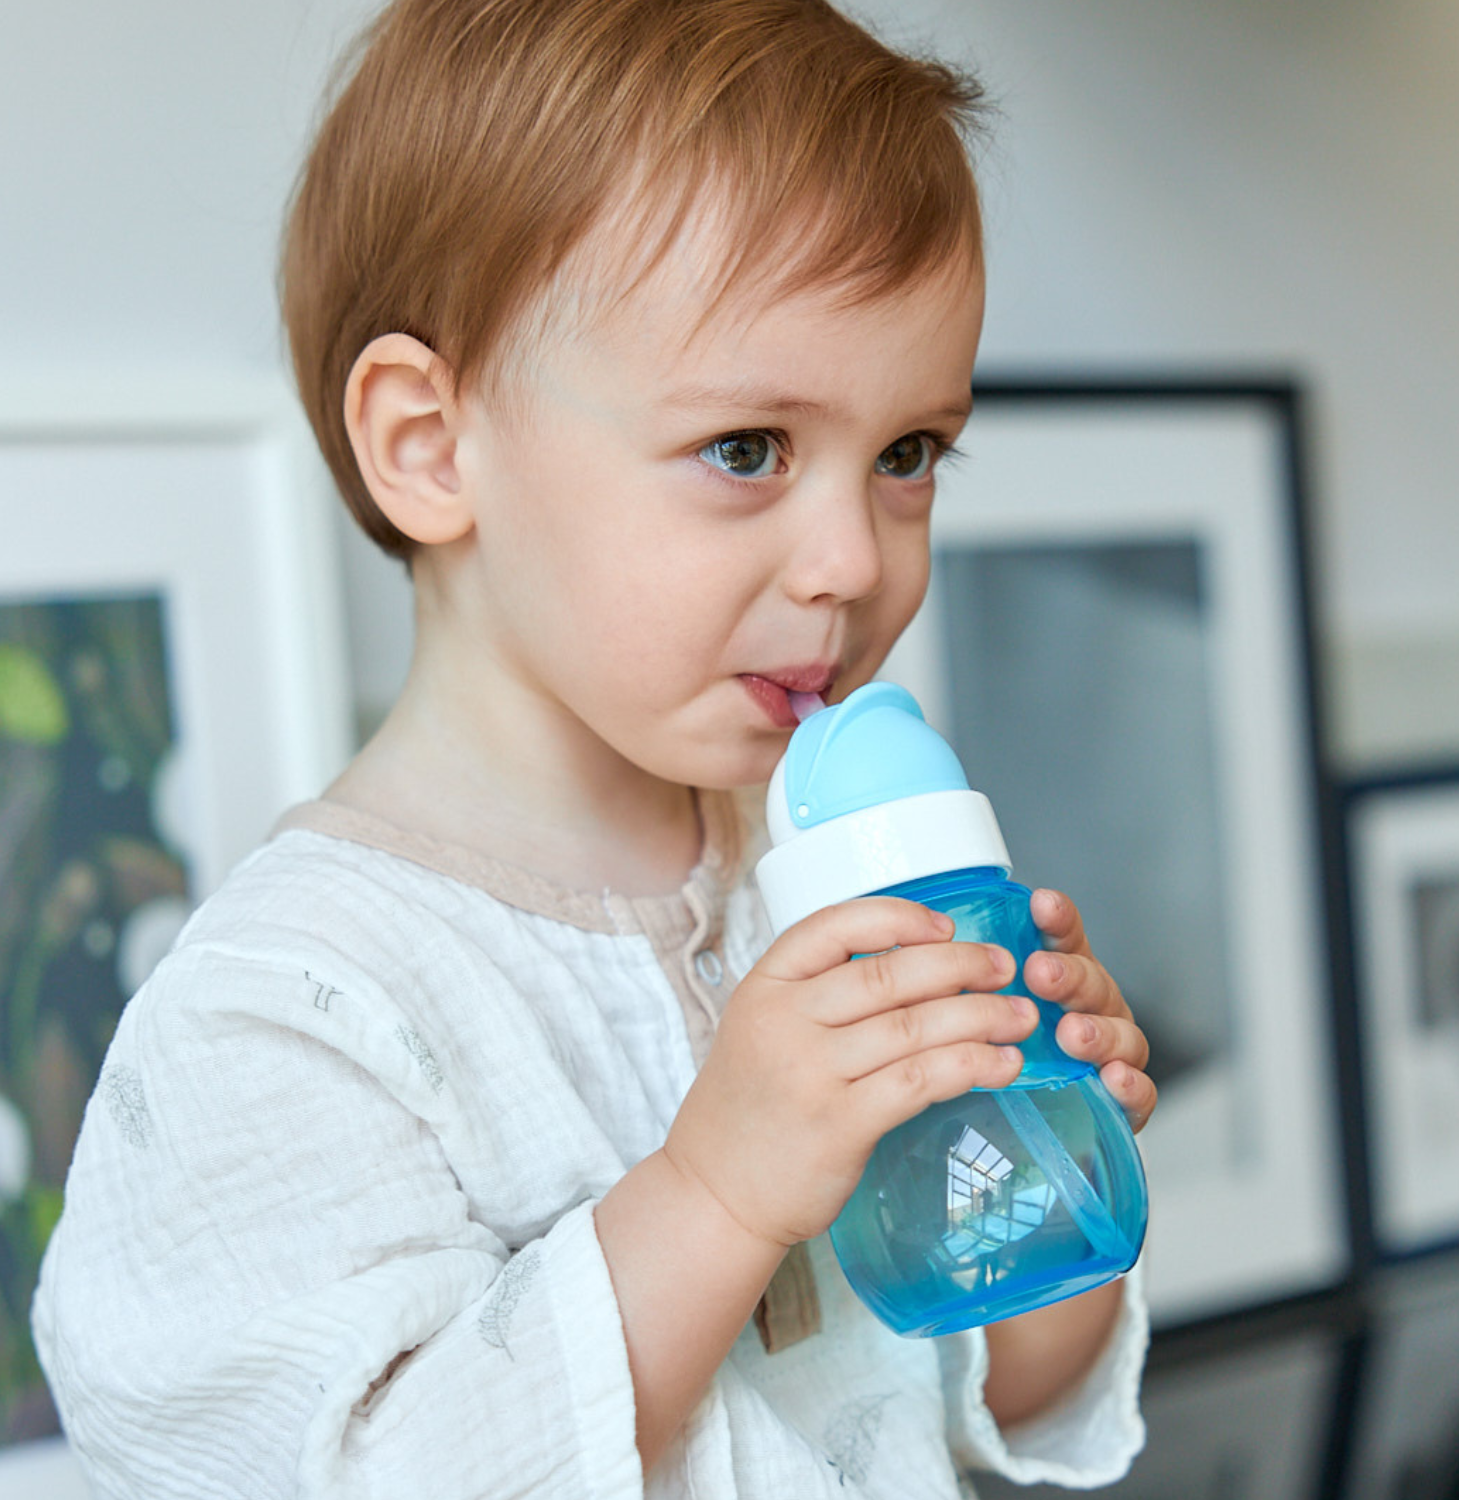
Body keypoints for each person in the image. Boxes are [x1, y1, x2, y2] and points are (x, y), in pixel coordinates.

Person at [33, 1, 1157, 1494]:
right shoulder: (283, 1019)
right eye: (747, 450)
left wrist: (1051, 1168)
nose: (849, 558)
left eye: (908, 457)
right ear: (432, 446)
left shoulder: (811, 892)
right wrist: (715, 1193)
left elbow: (997, 1399)